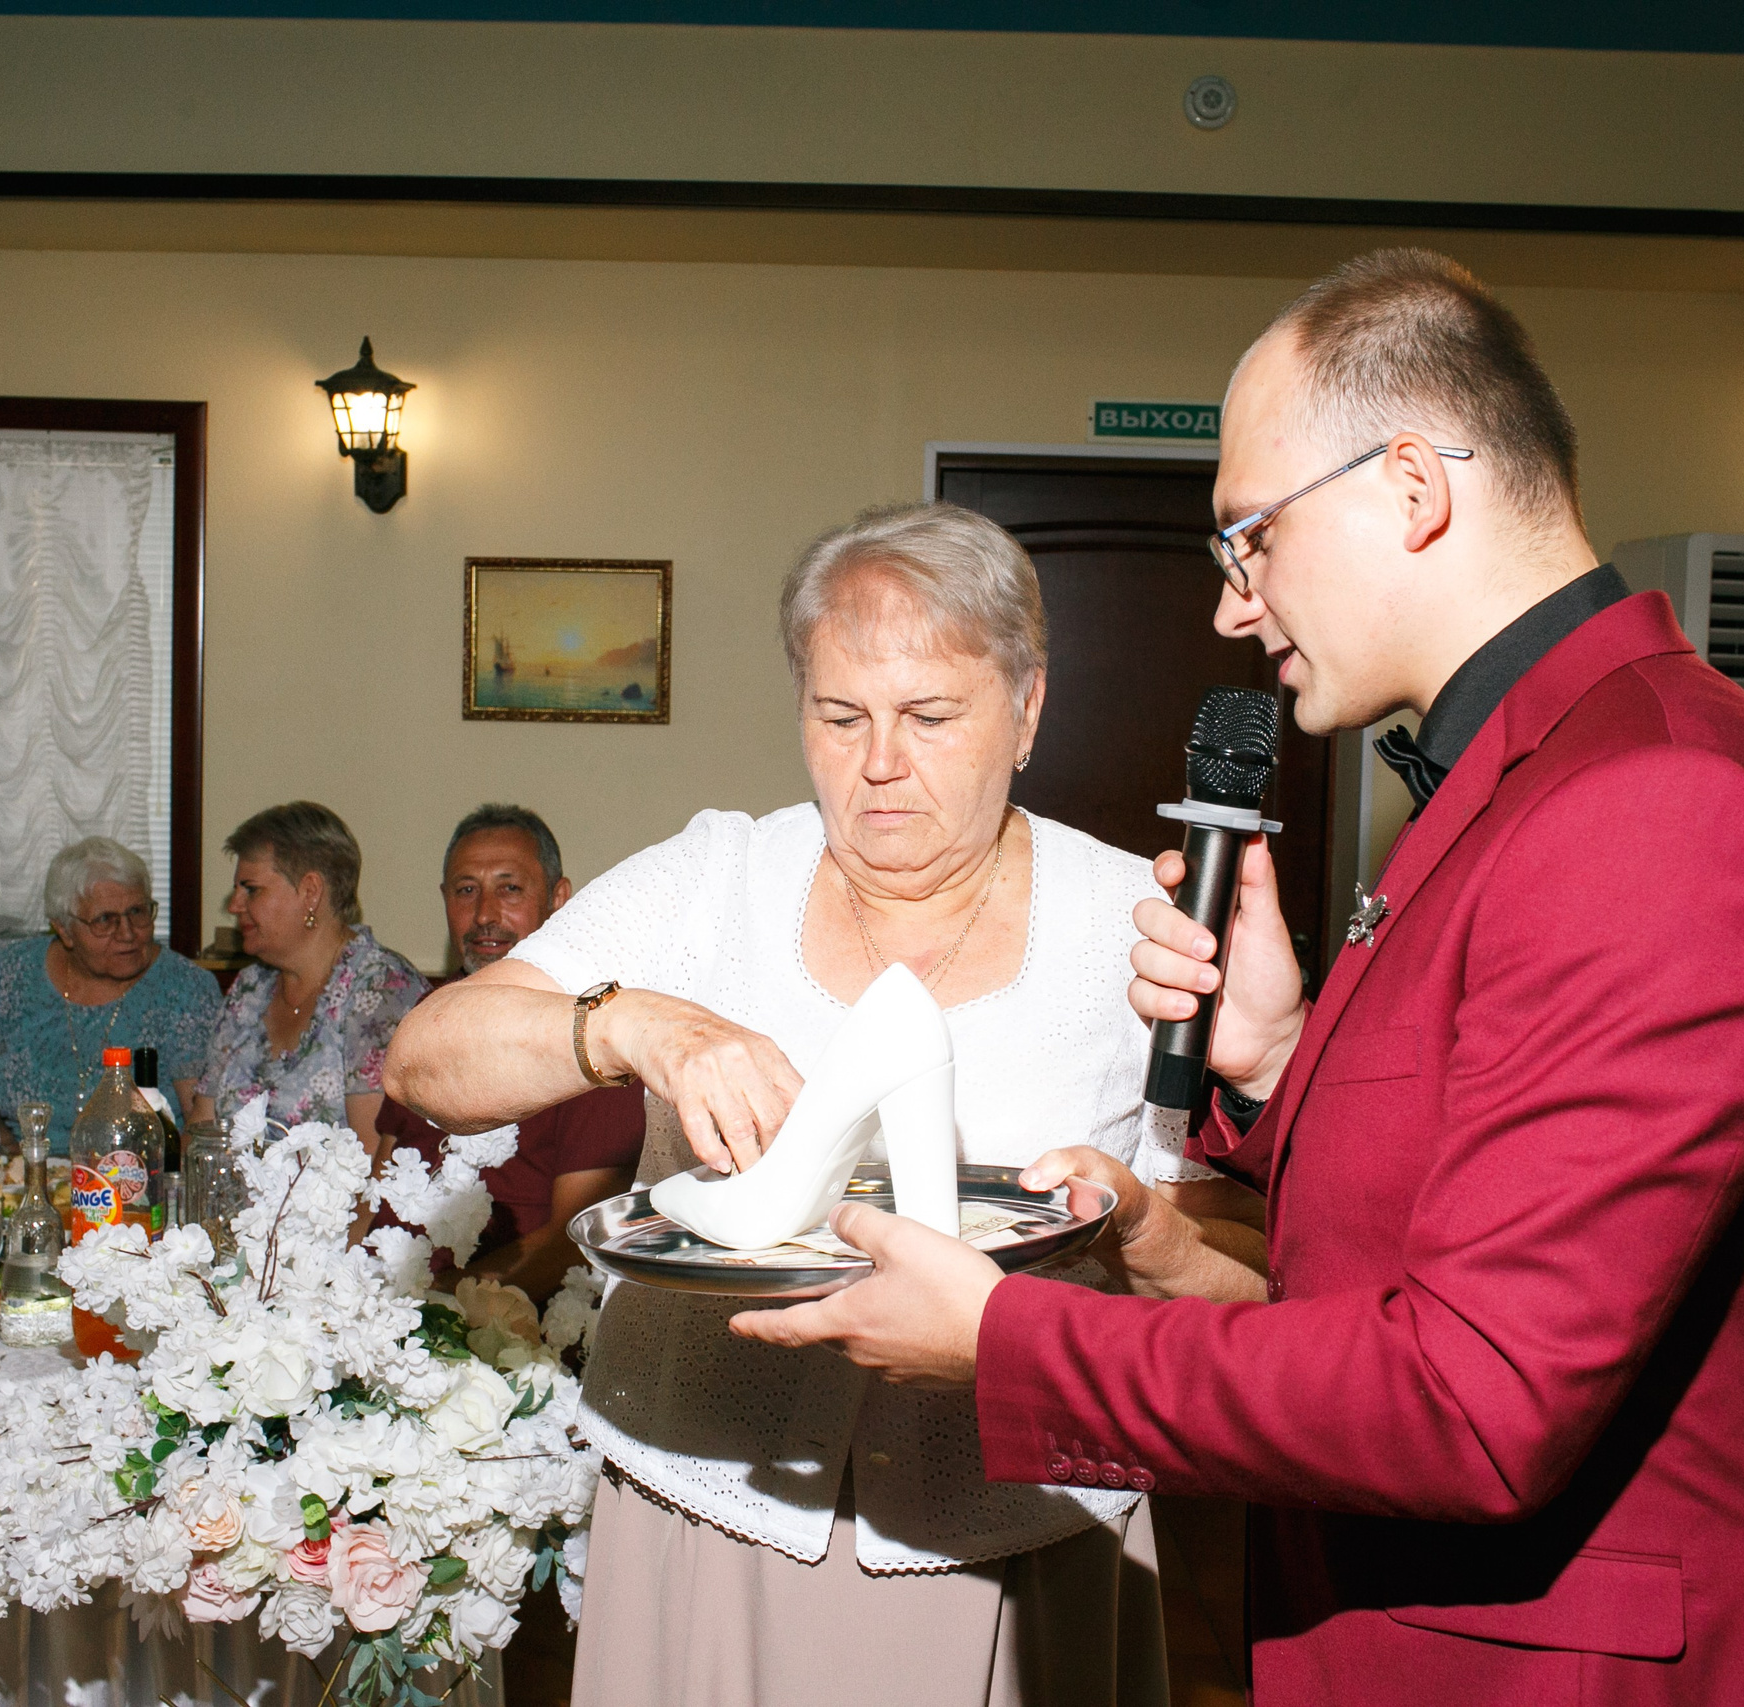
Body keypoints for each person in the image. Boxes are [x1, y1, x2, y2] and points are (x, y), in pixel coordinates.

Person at [738, 249, 1744, 1706]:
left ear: (1412, 485)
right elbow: (1483, 1188)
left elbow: (1473, 1399)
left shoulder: (1659, 799)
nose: (1234, 604)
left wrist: (1006, 1335)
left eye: (1252, 537)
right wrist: (1279, 1062)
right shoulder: (1530, 770)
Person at [385, 504, 1254, 1707]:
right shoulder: (716, 879)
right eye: (839, 717)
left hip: (1017, 1527)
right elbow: (426, 1058)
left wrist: (1139, 1229)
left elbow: (1250, 1272)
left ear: (1028, 708)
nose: (878, 763)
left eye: (930, 718)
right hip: (711, 1508)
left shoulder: (1138, 929)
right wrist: (638, 1022)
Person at [374, 804, 644, 1301]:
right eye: (466, 890)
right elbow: (380, 1182)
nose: (484, 915)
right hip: (384, 1304)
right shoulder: (432, 1019)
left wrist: (440, 1305)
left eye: (510, 887)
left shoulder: (594, 1033)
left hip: (502, 1326)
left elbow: (576, 1241)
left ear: (559, 899)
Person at [0, 837, 220, 1151]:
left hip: (135, 1184)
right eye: (105, 920)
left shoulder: (186, 987)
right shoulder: (16, 969)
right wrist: (9, 1157)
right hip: (29, 1173)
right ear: (64, 929)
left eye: (138, 911)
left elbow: (198, 1119)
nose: (128, 933)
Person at [192, 801, 430, 1139]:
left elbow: (374, 1159)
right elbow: (202, 1127)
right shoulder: (250, 988)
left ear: (310, 892)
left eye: (251, 889)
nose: (234, 905)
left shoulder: (381, 991)